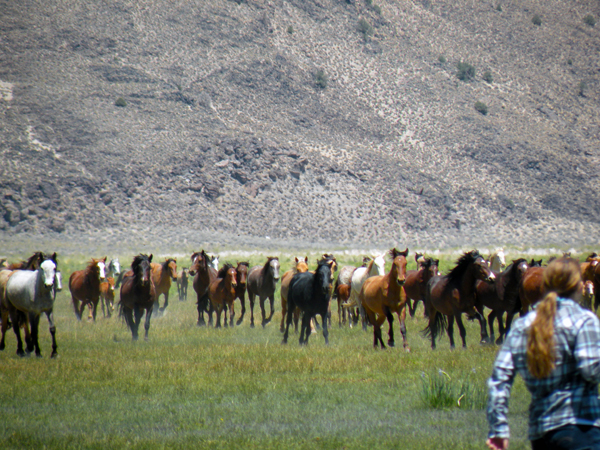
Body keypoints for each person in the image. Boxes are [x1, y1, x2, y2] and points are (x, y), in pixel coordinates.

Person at [487, 257, 600, 450]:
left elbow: (499, 380)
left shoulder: (523, 326)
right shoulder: (585, 321)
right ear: (577, 286)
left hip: (542, 431)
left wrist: (499, 430)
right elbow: (590, 369)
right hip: (583, 427)